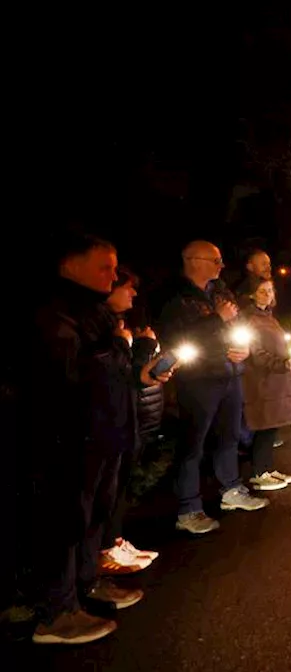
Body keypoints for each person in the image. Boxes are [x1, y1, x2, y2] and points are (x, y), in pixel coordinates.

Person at [26, 235, 165, 644]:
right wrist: (119, 349)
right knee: (66, 522)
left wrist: (134, 362)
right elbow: (68, 374)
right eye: (105, 267)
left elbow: (113, 375)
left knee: (92, 517)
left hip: (105, 433)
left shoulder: (93, 314)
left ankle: (85, 587)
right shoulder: (56, 315)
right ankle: (56, 613)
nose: (114, 276)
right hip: (71, 438)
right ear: (70, 266)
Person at [156, 241, 267, 536]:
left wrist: (243, 347)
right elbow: (179, 335)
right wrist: (217, 318)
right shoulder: (176, 297)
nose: (221, 266)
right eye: (215, 261)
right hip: (199, 378)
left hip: (229, 372)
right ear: (193, 261)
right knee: (193, 442)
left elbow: (239, 323)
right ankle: (188, 508)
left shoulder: (220, 291)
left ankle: (230, 489)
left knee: (228, 436)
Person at [99, 267, 162, 575]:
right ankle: (106, 550)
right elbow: (123, 375)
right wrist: (142, 348)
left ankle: (116, 540)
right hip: (114, 417)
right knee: (107, 490)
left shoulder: (124, 324)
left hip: (135, 414)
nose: (133, 293)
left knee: (119, 486)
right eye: (125, 286)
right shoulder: (104, 330)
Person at [239, 277, 291, 490]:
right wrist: (281, 364)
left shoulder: (268, 317)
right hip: (262, 380)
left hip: (276, 378)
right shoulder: (249, 319)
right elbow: (256, 353)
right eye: (262, 291)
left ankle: (267, 468)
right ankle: (259, 473)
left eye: (270, 290)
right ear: (251, 294)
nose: (267, 294)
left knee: (271, 426)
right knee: (264, 426)